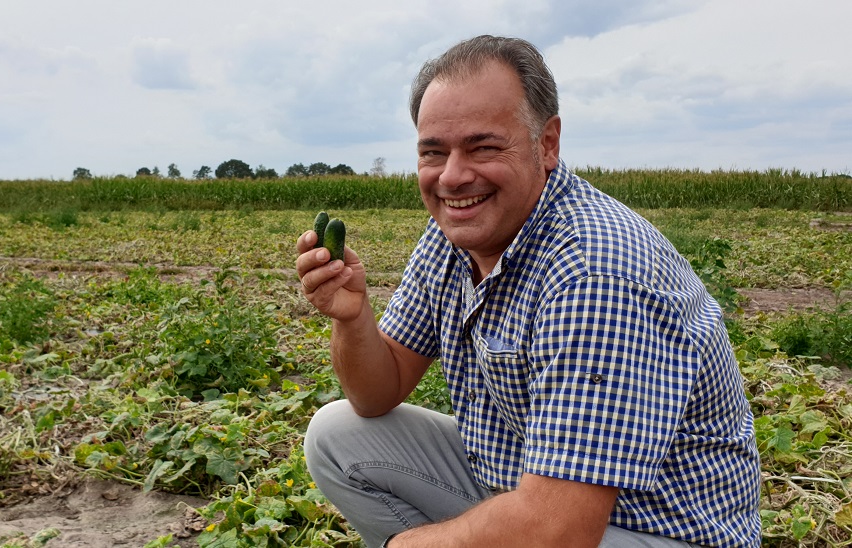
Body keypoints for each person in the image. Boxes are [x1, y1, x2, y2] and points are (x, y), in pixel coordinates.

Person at [294, 35, 760, 548]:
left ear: (548, 143)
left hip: (652, 530)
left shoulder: (593, 272)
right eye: (433, 152)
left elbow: (559, 531)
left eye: (483, 146)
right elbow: (374, 393)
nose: (452, 176)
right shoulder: (454, 235)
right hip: (532, 488)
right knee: (338, 436)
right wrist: (352, 317)